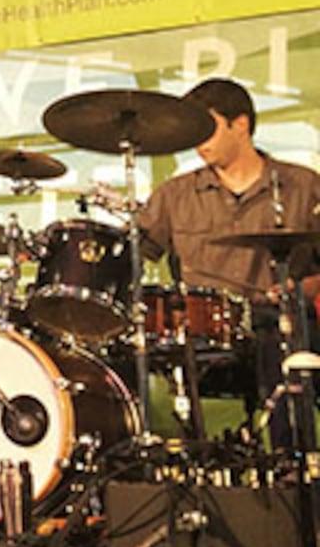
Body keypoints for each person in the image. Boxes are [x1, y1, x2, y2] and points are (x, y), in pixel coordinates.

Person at [135, 77, 320, 448]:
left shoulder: (304, 186)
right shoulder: (175, 195)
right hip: (202, 331)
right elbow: (133, 253)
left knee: (283, 338)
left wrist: (300, 288)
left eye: (207, 128)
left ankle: (292, 469)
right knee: (132, 351)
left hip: (279, 322)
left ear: (241, 125)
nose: (197, 140)